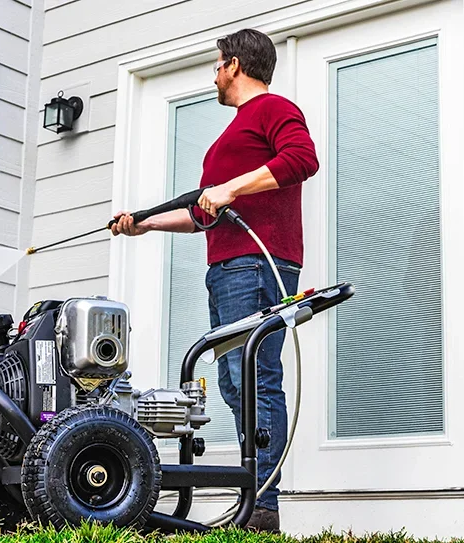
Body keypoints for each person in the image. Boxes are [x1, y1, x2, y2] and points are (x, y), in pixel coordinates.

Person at [111, 28, 318, 533]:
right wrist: (146, 224)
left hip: (255, 263)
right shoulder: (235, 134)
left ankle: (263, 505)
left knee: (256, 378)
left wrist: (228, 188)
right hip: (228, 266)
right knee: (233, 381)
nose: (214, 74)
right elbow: (206, 213)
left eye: (217, 64)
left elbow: (302, 160)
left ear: (233, 65)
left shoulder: (273, 109)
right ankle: (257, 496)